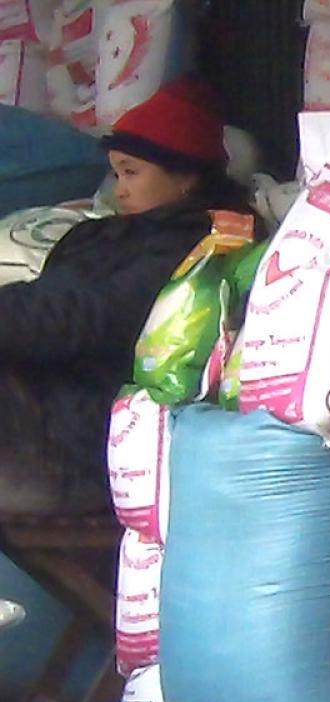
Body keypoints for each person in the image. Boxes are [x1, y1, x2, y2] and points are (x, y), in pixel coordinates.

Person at [0, 79, 253, 515]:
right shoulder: (110, 232)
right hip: (49, 398)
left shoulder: (196, 249)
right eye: (116, 173)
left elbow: (87, 315)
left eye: (133, 172)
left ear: (186, 176)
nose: (121, 188)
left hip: (86, 431)